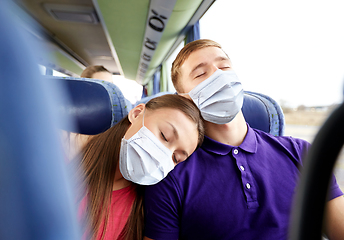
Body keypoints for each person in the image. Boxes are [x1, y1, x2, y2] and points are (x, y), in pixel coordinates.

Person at [143, 39, 344, 240]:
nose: (219, 75)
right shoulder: (171, 177)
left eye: (224, 67)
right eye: (201, 73)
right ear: (184, 98)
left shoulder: (300, 152)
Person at [77, 94, 205, 240]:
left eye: (176, 158)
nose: (163, 155)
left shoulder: (143, 207)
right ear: (137, 114)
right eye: (164, 136)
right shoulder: (65, 149)